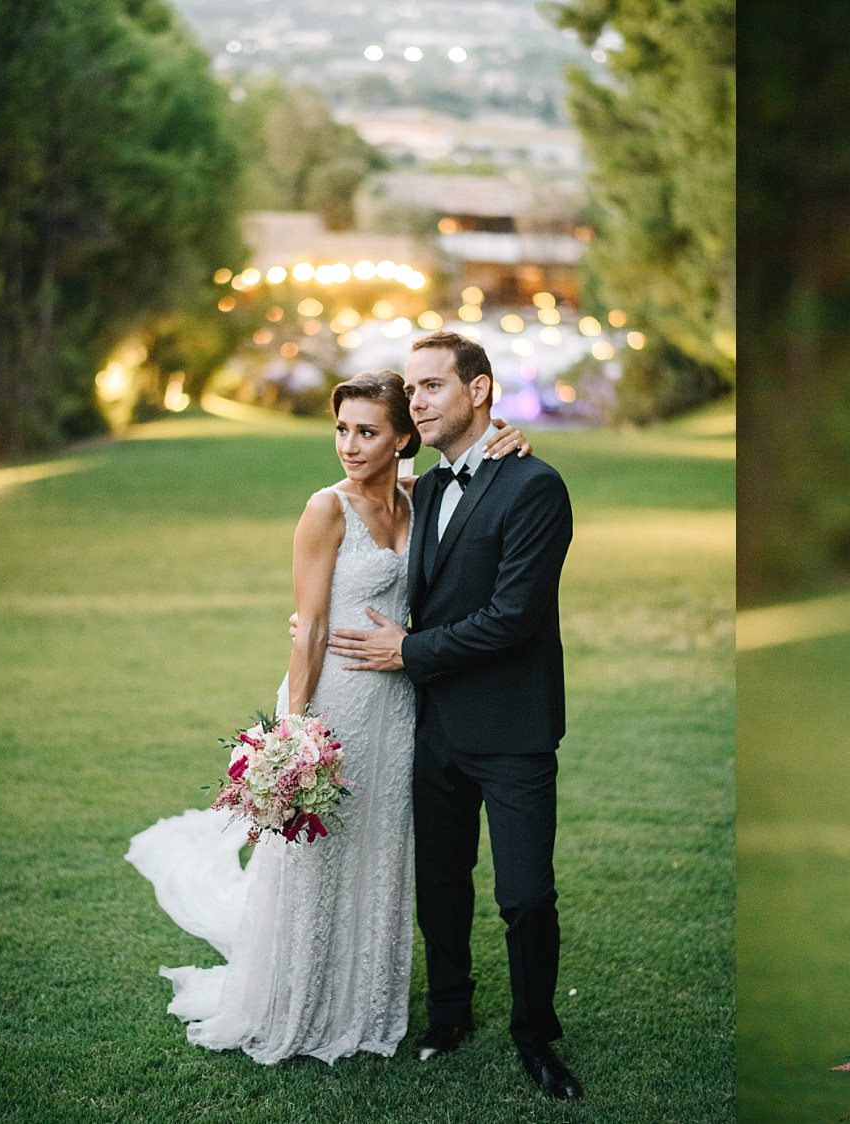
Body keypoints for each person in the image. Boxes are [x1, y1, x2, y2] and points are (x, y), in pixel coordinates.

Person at [126, 371, 527, 1065]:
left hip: (400, 705)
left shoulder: (418, 495)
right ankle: (299, 1002)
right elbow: (308, 628)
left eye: (367, 431)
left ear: (404, 438)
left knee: (380, 848)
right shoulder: (325, 509)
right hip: (332, 701)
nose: (348, 444)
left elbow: (475, 479)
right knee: (314, 855)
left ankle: (367, 1001)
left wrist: (510, 436)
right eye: (341, 428)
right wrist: (295, 732)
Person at [327, 330, 581, 1100]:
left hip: (512, 731)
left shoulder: (535, 487)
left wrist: (408, 651)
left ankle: (536, 1038)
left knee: (526, 893)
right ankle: (448, 1016)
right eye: (411, 388)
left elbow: (511, 617)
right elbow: (363, 469)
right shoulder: (426, 490)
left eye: (433, 385)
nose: (417, 400)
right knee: (440, 883)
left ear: (480, 390)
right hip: (431, 728)